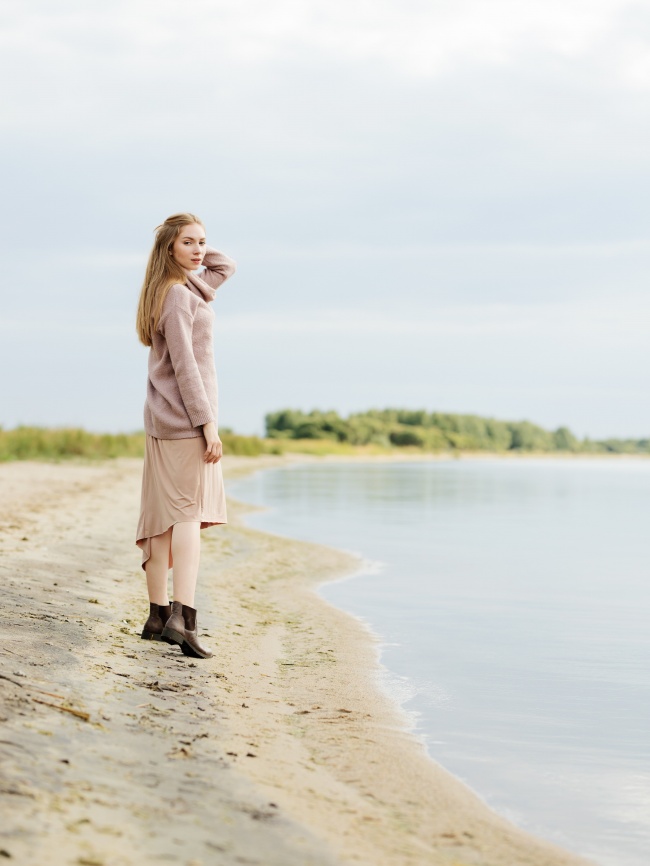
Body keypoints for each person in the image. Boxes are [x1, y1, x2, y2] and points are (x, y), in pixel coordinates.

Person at [134, 213, 236, 659]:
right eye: (188, 244)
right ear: (169, 251)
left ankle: (157, 615)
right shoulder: (178, 295)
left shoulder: (179, 288)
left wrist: (183, 241)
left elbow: (224, 266)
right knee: (186, 517)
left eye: (202, 242)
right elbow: (186, 367)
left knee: (162, 520)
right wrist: (207, 422)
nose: (200, 251)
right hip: (184, 424)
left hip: (163, 422)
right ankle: (184, 618)